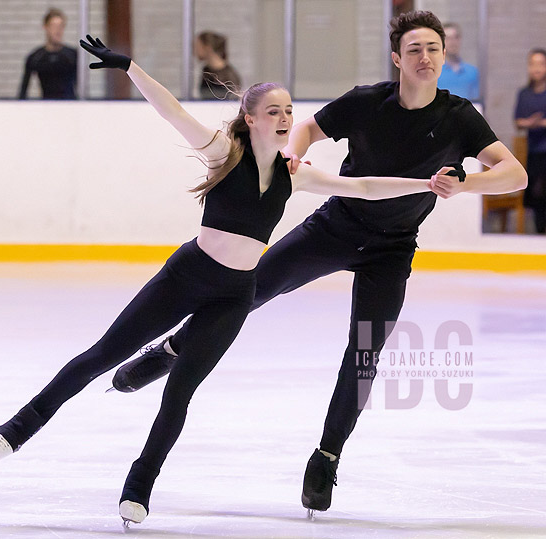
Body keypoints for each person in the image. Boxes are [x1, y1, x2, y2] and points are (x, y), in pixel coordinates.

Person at [0, 35, 435, 526]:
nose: (285, 119)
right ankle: (21, 425)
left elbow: (364, 187)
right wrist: (131, 66)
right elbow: (172, 111)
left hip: (234, 296)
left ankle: (139, 485)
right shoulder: (225, 153)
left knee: (179, 394)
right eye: (274, 111)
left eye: (289, 111)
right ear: (251, 118)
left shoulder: (295, 173)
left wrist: (427, 183)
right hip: (187, 278)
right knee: (102, 355)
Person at [114, 10, 527, 516]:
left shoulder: (460, 116)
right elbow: (307, 128)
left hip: (393, 248)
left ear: (443, 57)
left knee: (365, 352)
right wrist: (295, 156)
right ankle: (173, 349)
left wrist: (468, 184)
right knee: (247, 292)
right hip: (335, 227)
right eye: (414, 49)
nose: (425, 57)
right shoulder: (366, 102)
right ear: (397, 58)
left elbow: (515, 174)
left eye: (433, 49)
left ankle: (326, 457)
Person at [515, 48, 546, 234]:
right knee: (536, 192)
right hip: (534, 151)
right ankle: (540, 230)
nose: (537, 68)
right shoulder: (524, 94)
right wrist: (531, 123)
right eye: (533, 64)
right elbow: (518, 121)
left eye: (541, 64)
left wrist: (541, 123)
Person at [19, 8, 77, 100]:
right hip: (46, 106)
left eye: (60, 26)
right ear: (45, 27)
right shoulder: (36, 57)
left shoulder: (72, 55)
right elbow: (23, 91)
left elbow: (81, 85)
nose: (57, 31)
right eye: (54, 26)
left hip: (69, 106)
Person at [437, 22, 480, 101]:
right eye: (448, 38)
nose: (452, 42)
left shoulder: (473, 72)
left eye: (455, 37)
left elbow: (477, 103)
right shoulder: (435, 72)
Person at [194, 31, 241, 100]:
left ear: (207, 47)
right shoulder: (206, 70)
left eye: (197, 47)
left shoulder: (228, 75)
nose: (195, 51)